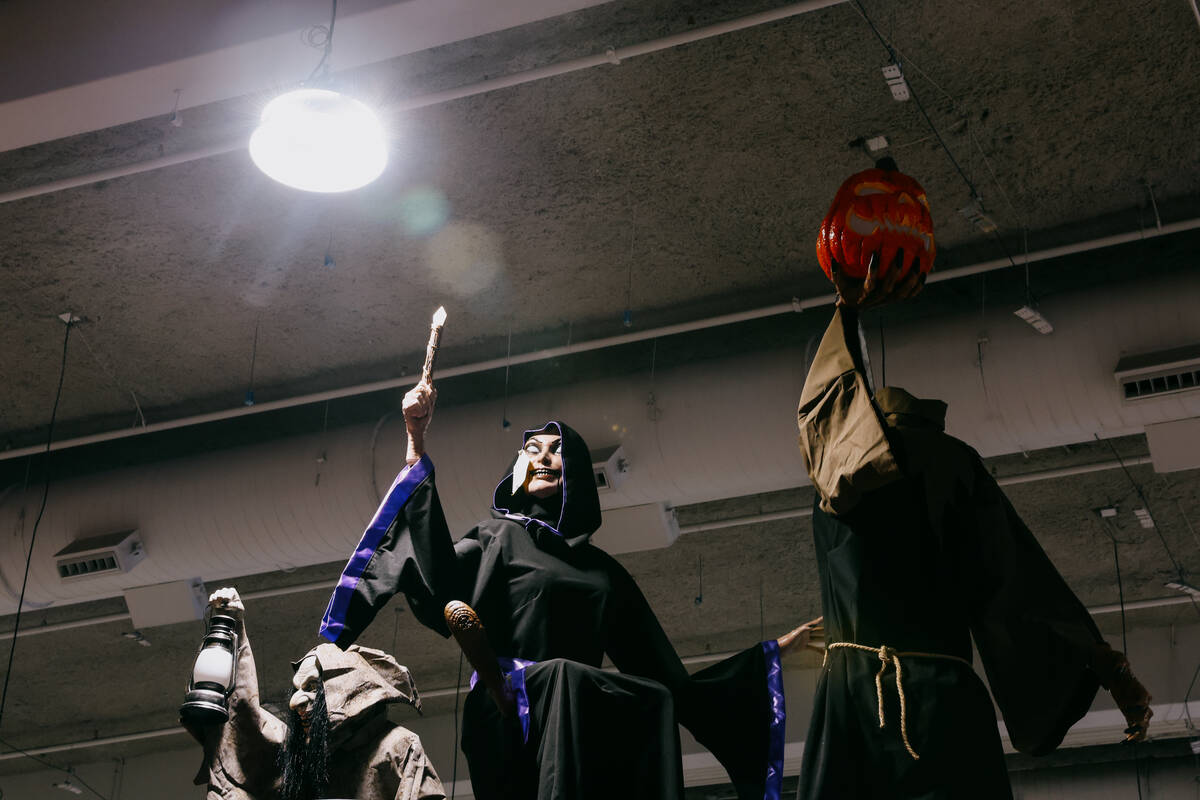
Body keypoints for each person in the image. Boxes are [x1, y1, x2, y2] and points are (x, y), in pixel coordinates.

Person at [319, 387, 822, 800]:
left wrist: (770, 654)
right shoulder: (497, 537)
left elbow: (670, 679)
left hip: (581, 718)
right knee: (562, 677)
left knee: (648, 699)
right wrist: (415, 438)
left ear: (577, 470)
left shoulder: (603, 574)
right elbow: (441, 585)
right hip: (507, 707)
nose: (543, 457)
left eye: (557, 450)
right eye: (532, 449)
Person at [793, 260, 1153, 799]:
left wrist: (847, 311)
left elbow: (826, 404)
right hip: (942, 697)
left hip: (852, 703)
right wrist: (1101, 660)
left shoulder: (836, 473)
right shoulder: (951, 462)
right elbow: (1014, 581)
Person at [184, 588, 446, 800]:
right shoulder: (299, 752)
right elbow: (243, 724)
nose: (296, 701)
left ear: (344, 689)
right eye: (297, 690)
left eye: (311, 688)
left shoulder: (396, 745)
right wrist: (232, 627)